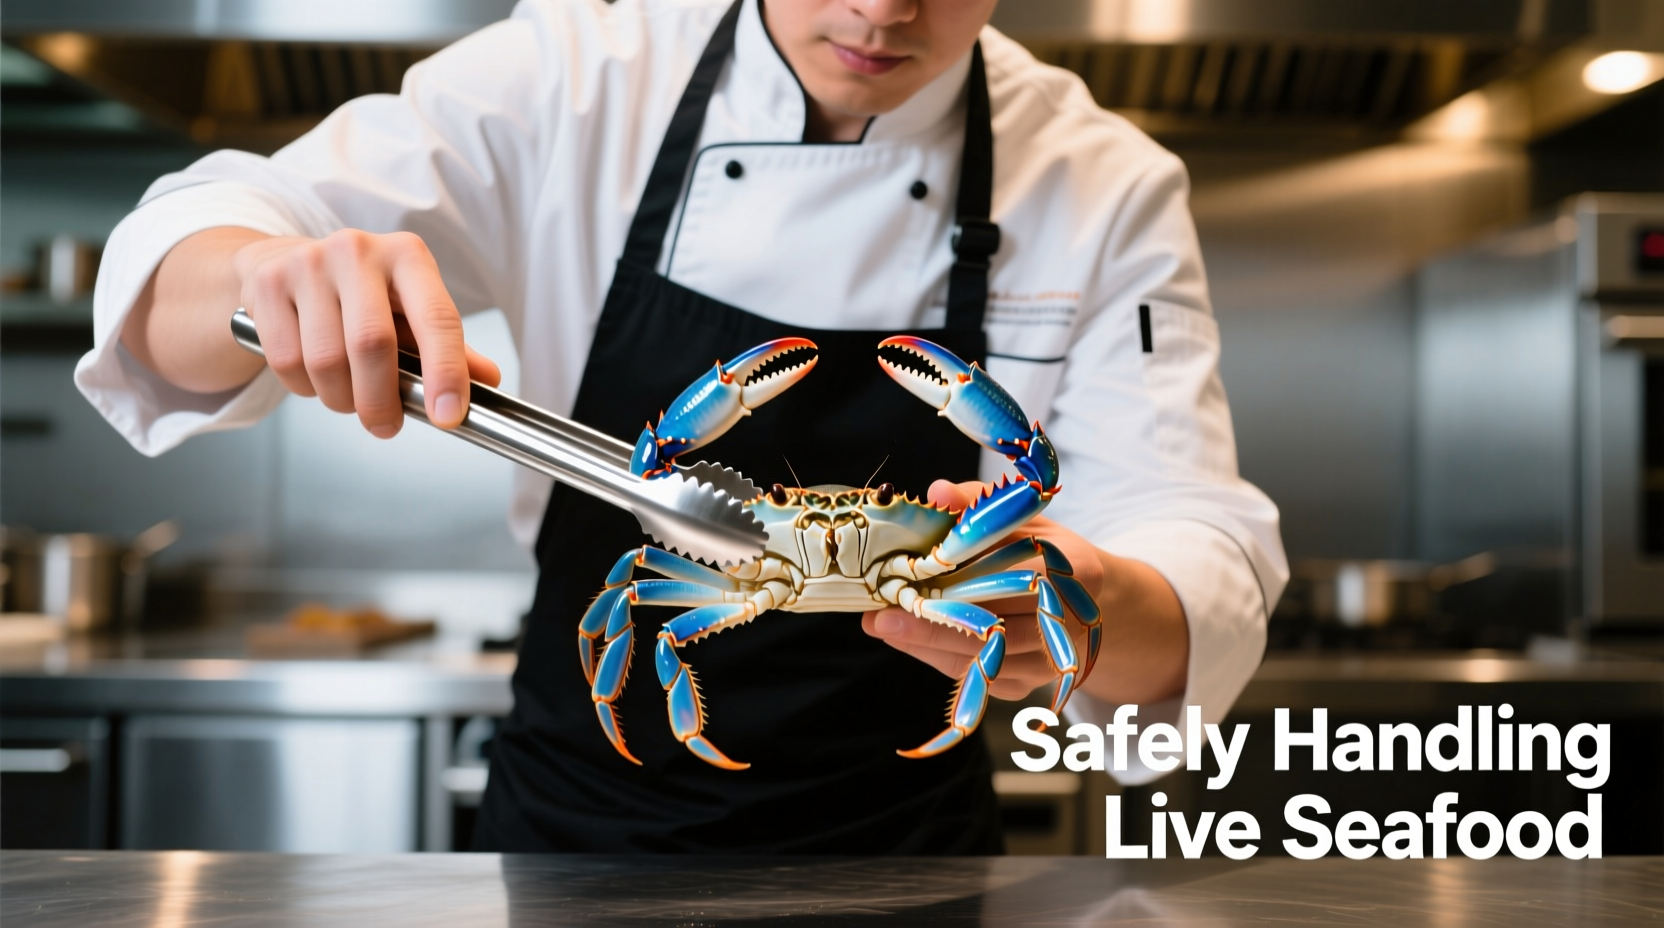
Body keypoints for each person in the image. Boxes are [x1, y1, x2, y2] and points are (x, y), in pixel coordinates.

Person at [79, 0, 1285, 853]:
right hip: (571, 835)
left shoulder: (1099, 179)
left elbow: (1187, 532)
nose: (882, 9)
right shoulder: (579, 72)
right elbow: (199, 244)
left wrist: (1092, 605)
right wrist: (259, 276)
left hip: (909, 855)